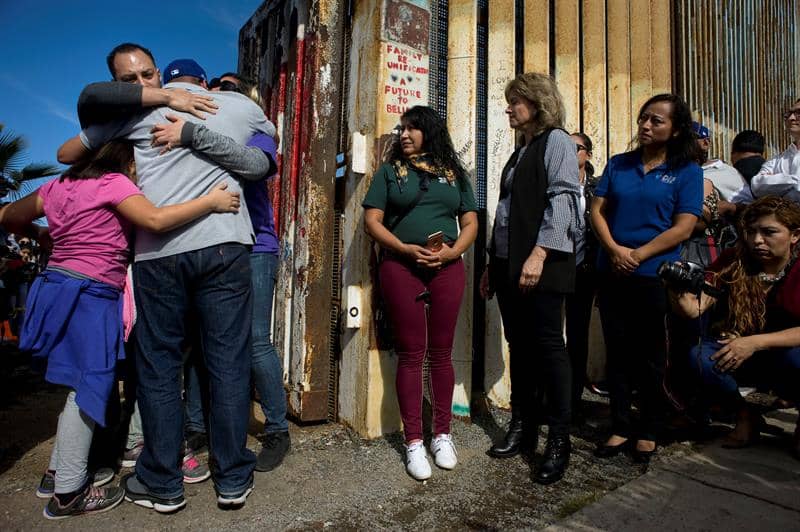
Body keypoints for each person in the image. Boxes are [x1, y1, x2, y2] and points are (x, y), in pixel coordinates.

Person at [58, 58, 275, 512]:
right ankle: (232, 477)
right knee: (228, 362)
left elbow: (66, 154)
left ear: (163, 78)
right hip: (224, 243)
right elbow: (262, 157)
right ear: (205, 81)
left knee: (159, 369)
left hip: (159, 253)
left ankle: (163, 483)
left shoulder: (132, 114)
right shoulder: (239, 105)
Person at [0, 140, 240, 519]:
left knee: (77, 384)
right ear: (127, 160)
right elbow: (157, 220)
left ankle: (57, 473)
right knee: (91, 387)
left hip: (54, 287)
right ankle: (69, 494)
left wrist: (42, 233)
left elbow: (7, 216)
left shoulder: (60, 186)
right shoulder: (114, 183)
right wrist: (210, 203)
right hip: (91, 293)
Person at [152, 74, 291, 472]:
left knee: (253, 340)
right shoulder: (193, 124)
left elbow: (256, 168)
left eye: (229, 85)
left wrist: (193, 134)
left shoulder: (255, 129)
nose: (218, 90)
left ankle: (277, 429)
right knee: (200, 340)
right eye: (216, 85)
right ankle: (196, 426)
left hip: (254, 246)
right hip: (208, 244)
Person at [363, 105, 478, 480]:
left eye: (412, 128)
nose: (405, 135)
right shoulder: (389, 172)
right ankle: (414, 441)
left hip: (446, 266)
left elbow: (470, 221)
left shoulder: (452, 174)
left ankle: (442, 434)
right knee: (413, 354)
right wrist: (403, 248)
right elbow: (372, 221)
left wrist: (453, 251)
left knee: (442, 353)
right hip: (400, 267)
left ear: (429, 131)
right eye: (401, 129)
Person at [479, 72, 581, 484]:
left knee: (548, 348)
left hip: (542, 264)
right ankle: (524, 427)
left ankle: (559, 439)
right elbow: (507, 214)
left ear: (537, 104)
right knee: (520, 347)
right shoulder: (521, 150)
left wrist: (539, 254)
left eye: (515, 101)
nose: (508, 108)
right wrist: (492, 265)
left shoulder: (555, 141)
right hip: (510, 265)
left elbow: (563, 199)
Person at [591, 93, 703, 463]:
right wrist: (614, 250)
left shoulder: (687, 171)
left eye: (656, 121)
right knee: (618, 352)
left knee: (652, 355)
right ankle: (621, 425)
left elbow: (684, 227)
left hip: (654, 275)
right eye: (643, 118)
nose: (646, 126)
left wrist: (638, 255)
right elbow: (597, 211)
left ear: (675, 129)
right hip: (613, 271)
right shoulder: (619, 164)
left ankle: (650, 427)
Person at [671, 196, 800, 458]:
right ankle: (744, 415)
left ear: (795, 235)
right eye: (751, 232)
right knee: (701, 357)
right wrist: (680, 295)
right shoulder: (734, 259)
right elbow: (698, 305)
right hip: (744, 351)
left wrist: (754, 342)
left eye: (769, 232)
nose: (757, 241)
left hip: (782, 353)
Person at [566, 132, 599, 422]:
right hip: (555, 270)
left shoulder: (597, 188)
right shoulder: (553, 183)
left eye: (575, 147)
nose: (569, 152)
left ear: (587, 154)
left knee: (577, 336)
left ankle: (573, 399)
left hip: (584, 272)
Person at [732, 99, 800, 205]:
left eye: (798, 113)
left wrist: (776, 181)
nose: (791, 118)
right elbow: (757, 186)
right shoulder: (777, 160)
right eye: (789, 114)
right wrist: (794, 179)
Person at [693, 121, 745, 202]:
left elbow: (747, 206)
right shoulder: (670, 172)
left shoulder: (727, 173)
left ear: (705, 143)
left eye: (687, 140)